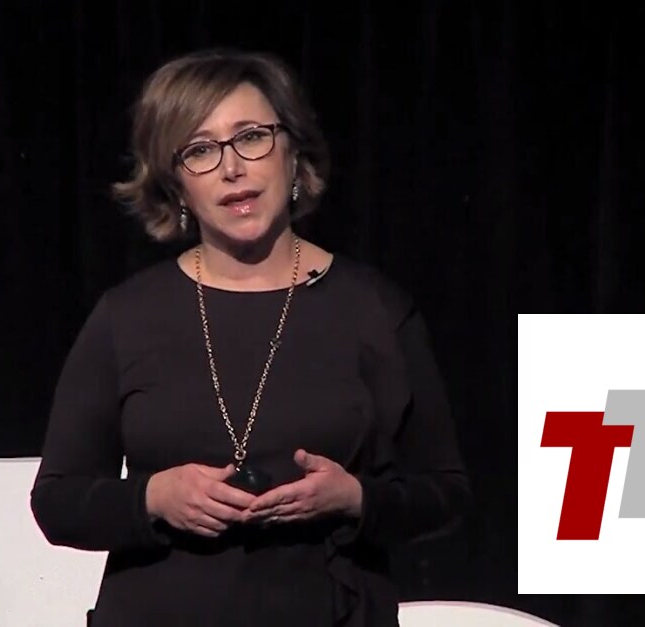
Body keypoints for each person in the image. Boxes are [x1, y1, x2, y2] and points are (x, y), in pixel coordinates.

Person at [30, 48, 471, 627]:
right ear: (175, 184)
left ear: (293, 152)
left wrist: (356, 499)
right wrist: (154, 498)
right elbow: (58, 500)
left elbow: (445, 492)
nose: (232, 168)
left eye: (252, 137)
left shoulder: (375, 310)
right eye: (200, 150)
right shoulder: (126, 317)